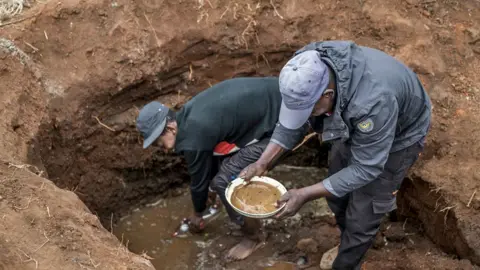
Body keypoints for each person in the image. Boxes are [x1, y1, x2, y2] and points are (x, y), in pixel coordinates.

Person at [240, 41, 431, 269]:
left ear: (327, 95)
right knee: (336, 194)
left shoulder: (372, 103)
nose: (305, 116)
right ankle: (344, 239)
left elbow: (367, 168)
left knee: (363, 215)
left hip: (398, 135)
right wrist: (263, 163)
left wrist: (304, 194)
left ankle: (349, 260)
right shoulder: (305, 65)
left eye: (308, 109)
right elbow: (291, 125)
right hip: (349, 118)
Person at [136, 77, 308, 260]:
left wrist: (197, 214)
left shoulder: (193, 139)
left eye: (156, 140)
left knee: (224, 181)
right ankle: (227, 204)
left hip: (291, 121)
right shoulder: (190, 116)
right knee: (225, 171)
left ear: (170, 127)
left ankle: (254, 237)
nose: (157, 146)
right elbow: (210, 159)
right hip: (287, 101)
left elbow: (198, 182)